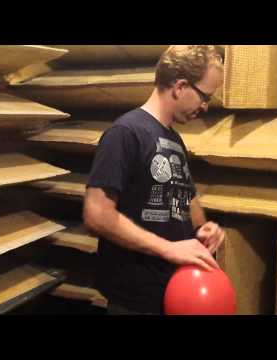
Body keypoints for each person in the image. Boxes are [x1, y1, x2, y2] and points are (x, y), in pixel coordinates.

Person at [83, 45, 226, 315]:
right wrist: (169, 249)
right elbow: (96, 214)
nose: (205, 106)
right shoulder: (125, 133)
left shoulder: (175, 140)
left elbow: (185, 197)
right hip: (136, 299)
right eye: (205, 96)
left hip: (176, 294)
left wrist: (204, 228)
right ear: (180, 86)